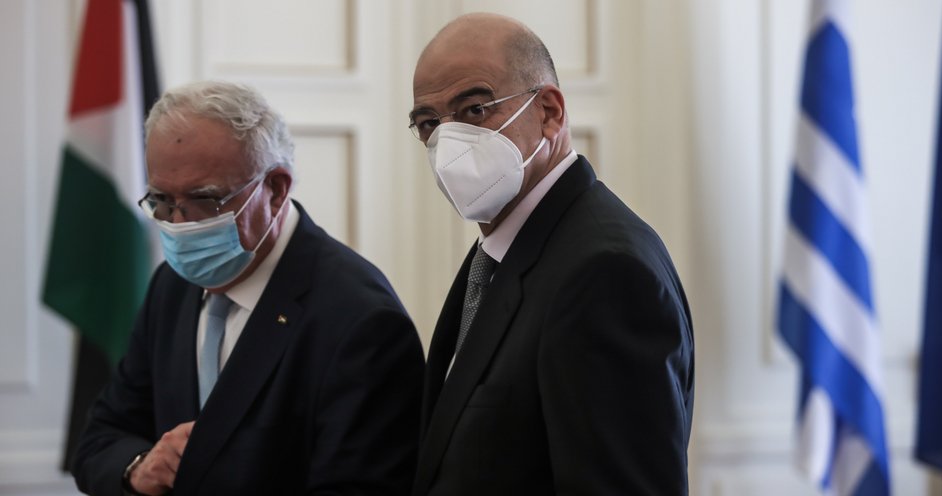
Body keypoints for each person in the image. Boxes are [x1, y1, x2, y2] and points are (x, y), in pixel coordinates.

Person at [71, 81, 424, 495]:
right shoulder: (172, 285)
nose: (180, 224)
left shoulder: (361, 321)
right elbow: (99, 440)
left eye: (205, 199)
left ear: (275, 189)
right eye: (162, 200)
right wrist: (140, 467)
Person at [408, 13, 695, 495]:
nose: (447, 142)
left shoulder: (606, 273)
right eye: (429, 124)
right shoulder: (502, 253)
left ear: (549, 112)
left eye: (474, 110)